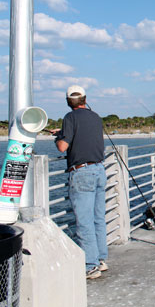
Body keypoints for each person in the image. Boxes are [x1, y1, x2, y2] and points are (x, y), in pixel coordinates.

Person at [52, 85, 108, 280]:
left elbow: (62, 147)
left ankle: (90, 266)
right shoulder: (95, 117)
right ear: (85, 99)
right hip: (100, 169)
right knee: (98, 218)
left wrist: (59, 135)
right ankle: (101, 258)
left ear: (68, 101)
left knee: (84, 222)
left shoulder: (69, 118)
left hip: (81, 172)